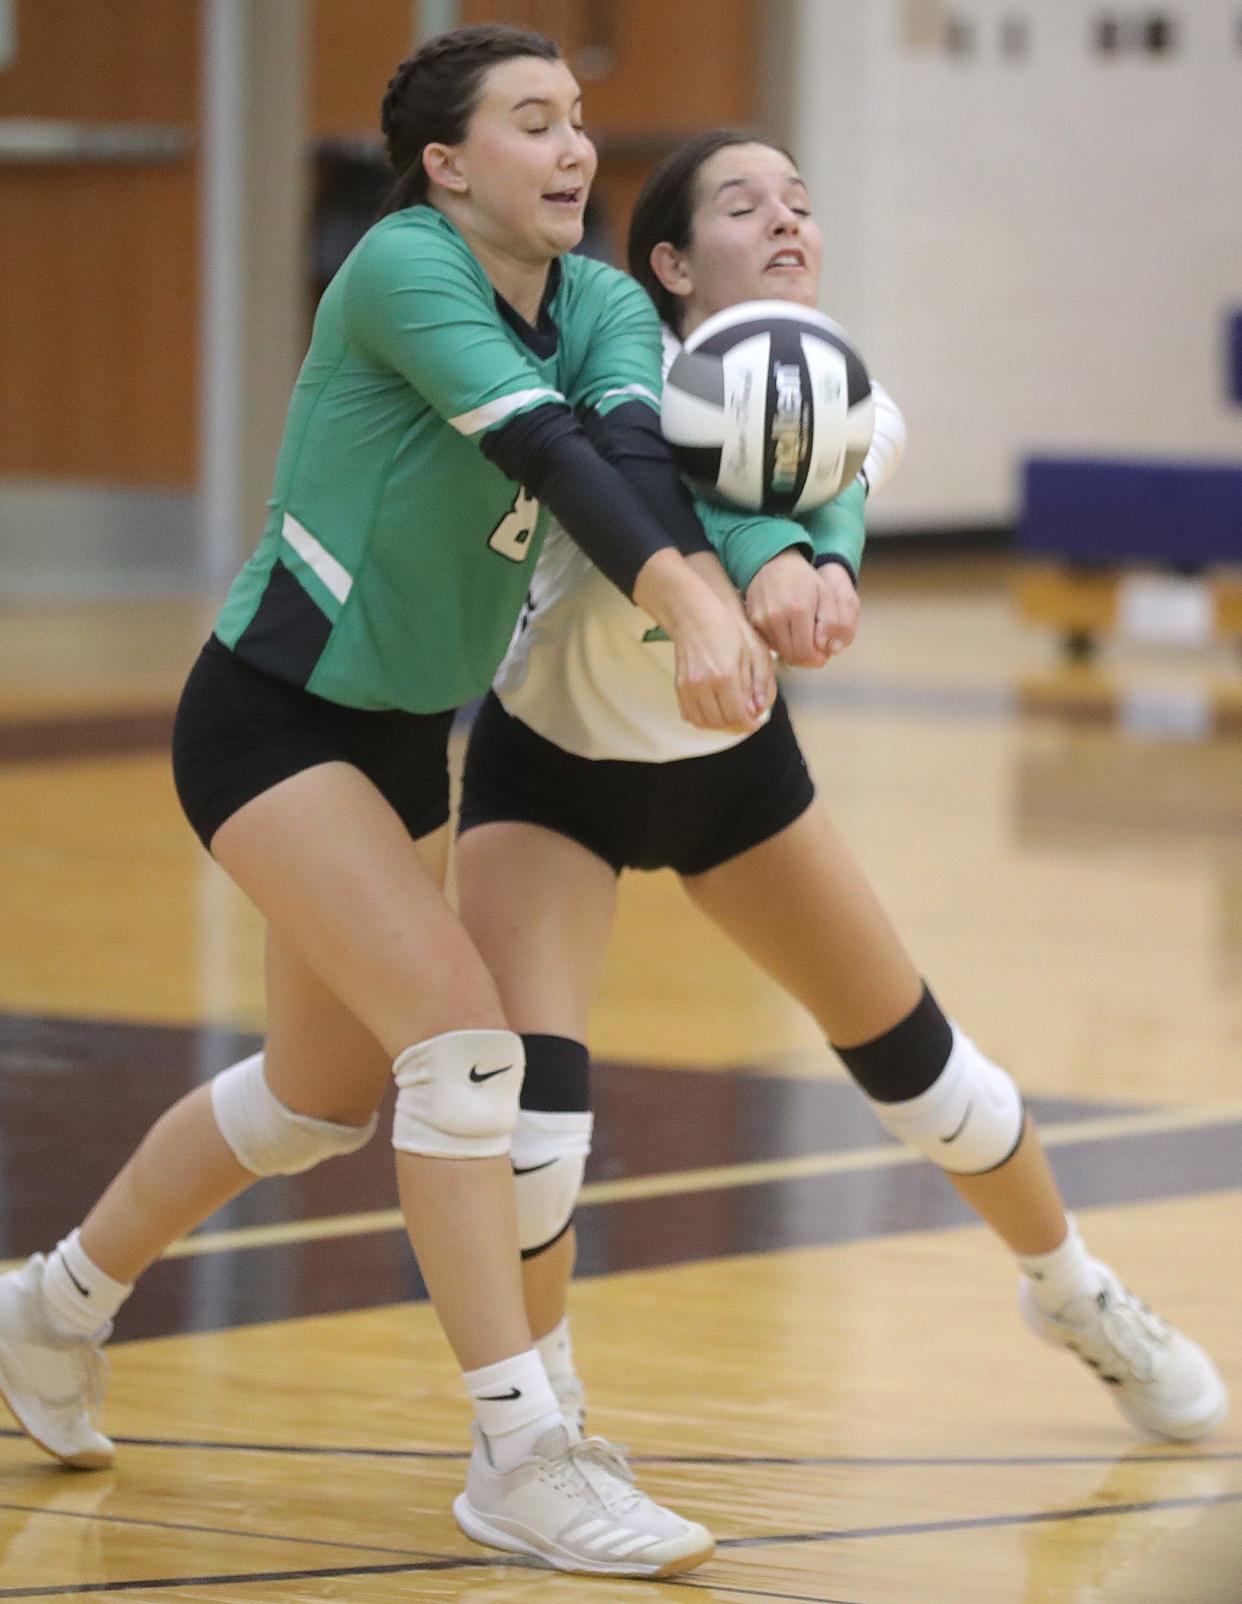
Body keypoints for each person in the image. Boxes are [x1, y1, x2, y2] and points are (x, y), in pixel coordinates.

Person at [0, 33, 781, 1581]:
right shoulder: (399, 272)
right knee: (462, 1042)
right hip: (267, 721)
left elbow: (629, 448)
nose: (573, 149)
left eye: (580, 122)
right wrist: (689, 604)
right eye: (533, 123)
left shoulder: (608, 298)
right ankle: (519, 1451)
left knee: (309, 1101)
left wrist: (752, 564)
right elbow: (548, 451)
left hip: (402, 739)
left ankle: (53, 1303)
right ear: (444, 164)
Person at [454, 130, 1229, 1447]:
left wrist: (825, 576)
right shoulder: (606, 380)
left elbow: (828, 518)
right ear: (667, 262)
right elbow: (678, 506)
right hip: (553, 772)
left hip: (733, 776)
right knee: (535, 1133)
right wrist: (764, 569)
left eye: (801, 204)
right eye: (744, 206)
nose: (786, 222)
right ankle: (542, 1422)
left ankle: (1071, 1289)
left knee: (933, 1079)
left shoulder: (846, 395)